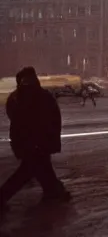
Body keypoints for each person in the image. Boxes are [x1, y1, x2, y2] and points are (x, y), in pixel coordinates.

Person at [0, 67, 71, 209]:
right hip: (38, 142)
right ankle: (2, 197)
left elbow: (14, 117)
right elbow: (53, 120)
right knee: (28, 171)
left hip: (27, 142)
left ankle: (53, 191)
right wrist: (50, 140)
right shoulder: (42, 96)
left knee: (38, 168)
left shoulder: (16, 96)